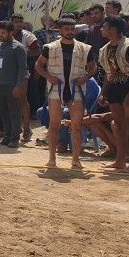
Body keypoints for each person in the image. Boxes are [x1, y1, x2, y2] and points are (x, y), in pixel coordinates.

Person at [34, 18, 96, 167]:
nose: (70, 32)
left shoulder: (84, 48)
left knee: (76, 125)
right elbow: (38, 65)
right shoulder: (50, 47)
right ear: (60, 30)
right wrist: (49, 77)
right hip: (56, 89)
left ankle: (76, 159)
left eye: (72, 29)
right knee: (54, 124)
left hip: (77, 90)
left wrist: (86, 77)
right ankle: (51, 159)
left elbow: (93, 68)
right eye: (67, 29)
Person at [98, 15, 129, 171]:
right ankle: (120, 160)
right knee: (118, 125)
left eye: (104, 26)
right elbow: (108, 73)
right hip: (115, 87)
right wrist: (104, 93)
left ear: (112, 29)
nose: (102, 29)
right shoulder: (105, 49)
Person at [0, 21, 29, 149]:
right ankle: (8, 134)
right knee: (3, 112)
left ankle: (15, 138)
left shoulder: (18, 48)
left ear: (11, 33)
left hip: (12, 85)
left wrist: (19, 86)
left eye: (3, 33)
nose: (0, 35)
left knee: (14, 112)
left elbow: (23, 69)